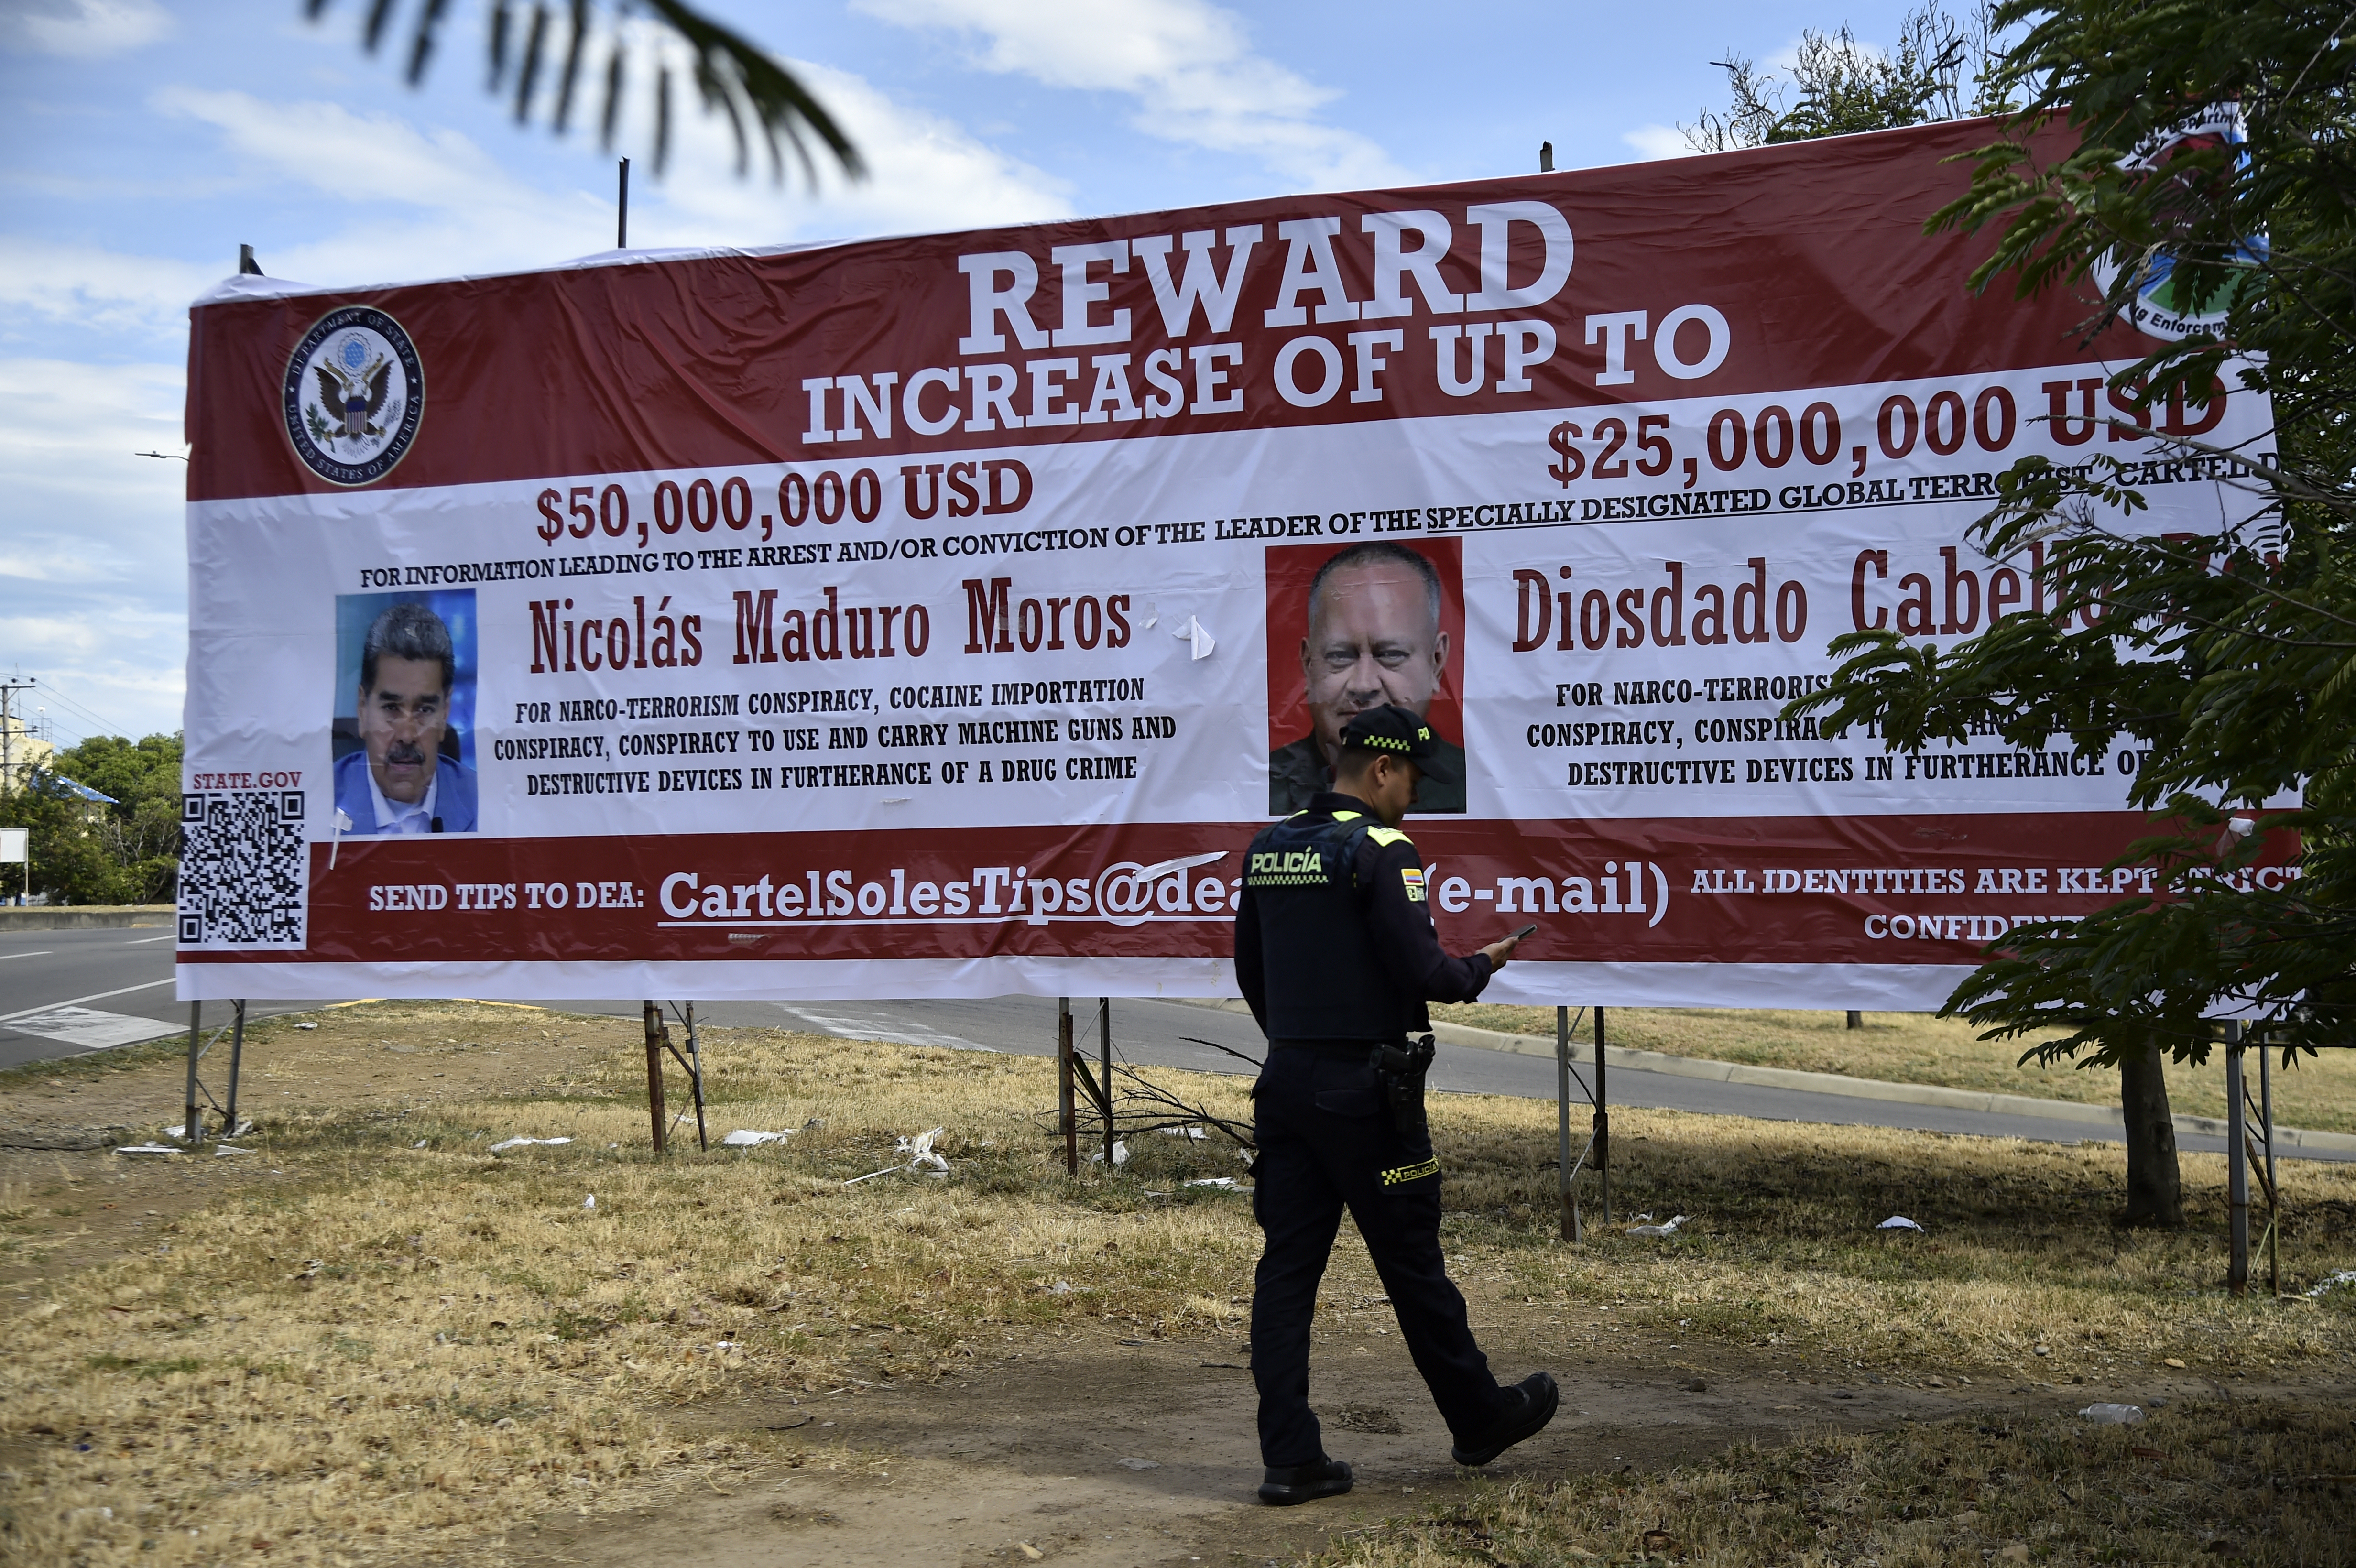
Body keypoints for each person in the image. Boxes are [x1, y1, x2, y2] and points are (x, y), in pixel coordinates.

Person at [1234, 702, 1555, 1506]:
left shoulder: (1268, 848)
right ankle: (1478, 1417)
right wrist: (1485, 963)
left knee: (1285, 1272)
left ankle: (1289, 1457)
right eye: (1410, 779)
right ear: (1381, 769)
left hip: (1285, 1084)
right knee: (1411, 1263)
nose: (1412, 797)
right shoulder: (1381, 849)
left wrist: (1298, 1045)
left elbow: (1250, 972)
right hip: (1366, 1097)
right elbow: (1430, 977)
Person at [1269, 541, 1467, 815]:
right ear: (1308, 664)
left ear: (1436, 662)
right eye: (1340, 656)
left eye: (1391, 655)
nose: (1364, 685)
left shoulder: (1478, 788)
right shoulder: (1258, 790)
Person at [332, 601, 478, 834]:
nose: (407, 735)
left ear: (445, 713)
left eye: (425, 710)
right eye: (391, 708)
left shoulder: (486, 804)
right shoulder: (317, 802)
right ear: (362, 709)